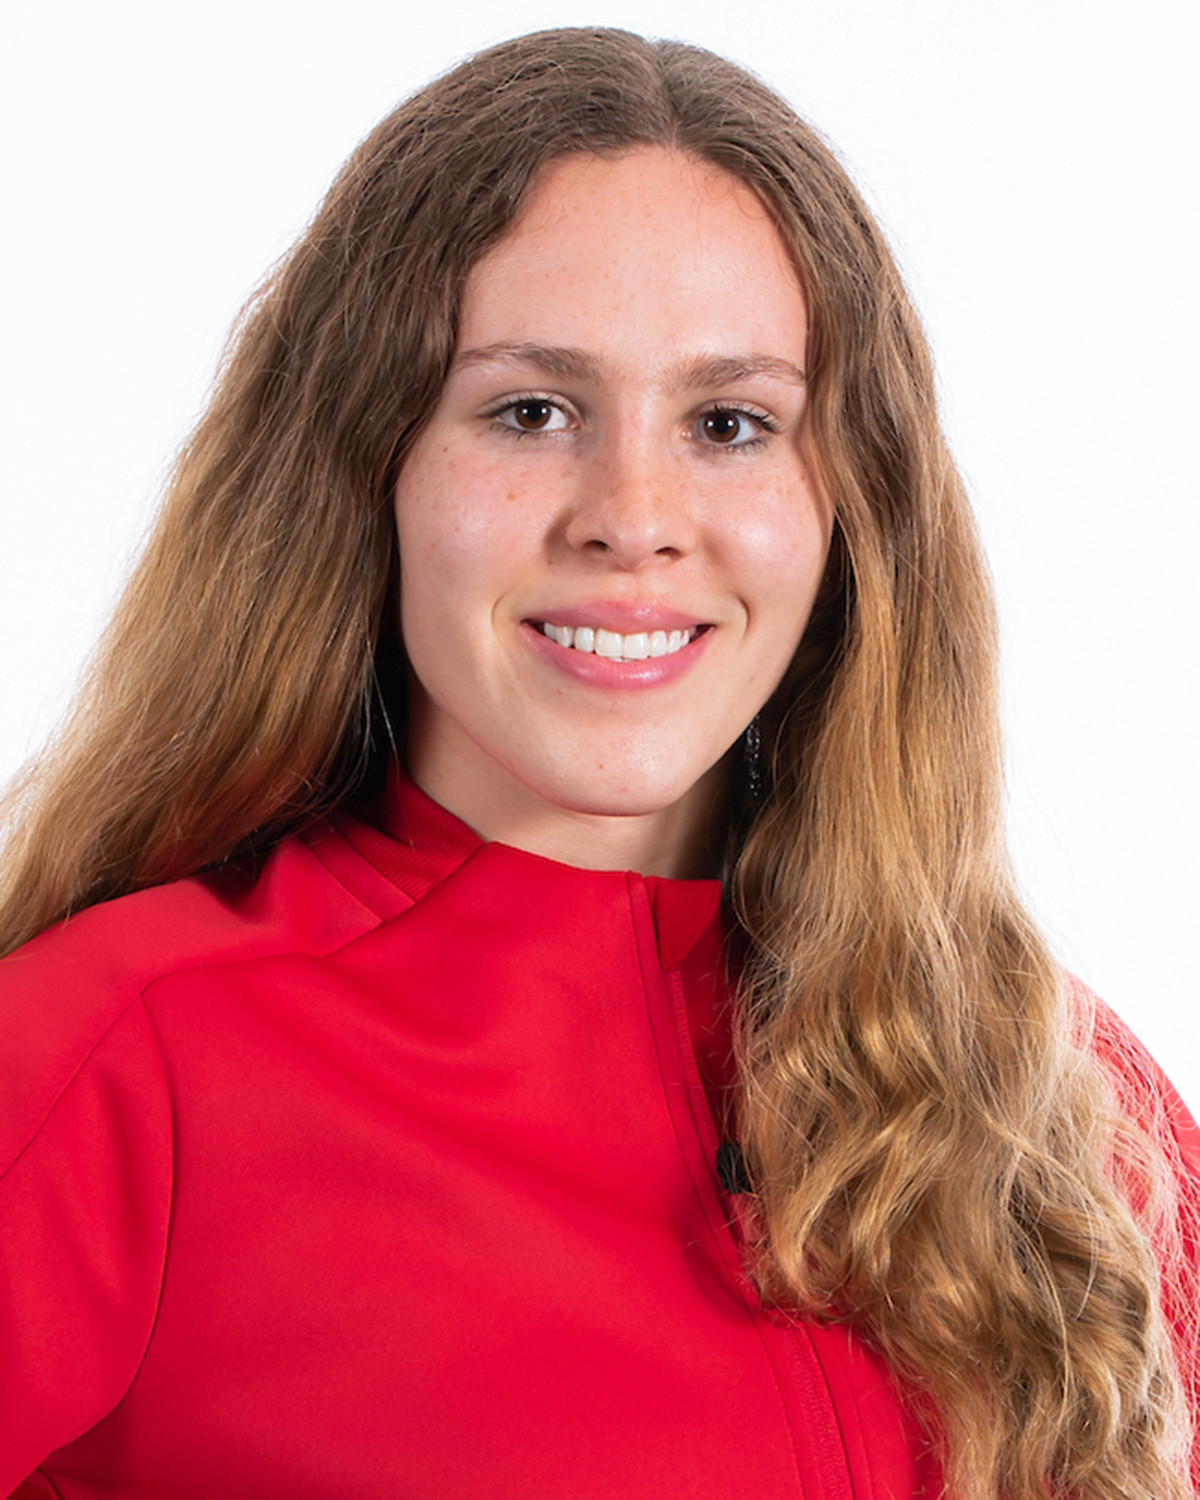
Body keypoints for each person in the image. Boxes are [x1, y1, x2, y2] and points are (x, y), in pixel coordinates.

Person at [0, 27, 1195, 1500]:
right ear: (366, 467)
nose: (632, 516)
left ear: (850, 514)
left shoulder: (1056, 1108)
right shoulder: (120, 1061)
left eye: (729, 423)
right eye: (531, 411)